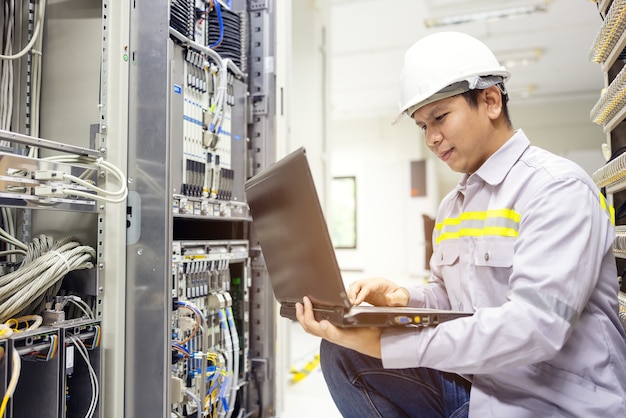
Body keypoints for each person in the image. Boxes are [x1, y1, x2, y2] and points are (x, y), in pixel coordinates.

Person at [295, 31, 626, 417]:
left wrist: (387, 344)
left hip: (549, 402)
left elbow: (535, 327)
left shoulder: (555, 188)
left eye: (440, 117)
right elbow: (455, 299)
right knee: (342, 352)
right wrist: (404, 299)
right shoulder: (454, 205)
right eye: (422, 126)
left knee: (367, 350)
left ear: (489, 100)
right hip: (481, 386)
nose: (432, 139)